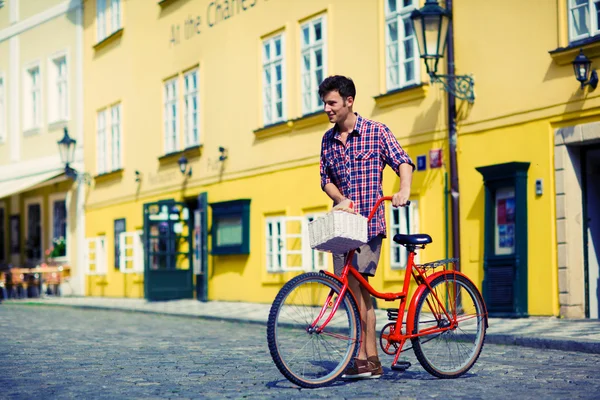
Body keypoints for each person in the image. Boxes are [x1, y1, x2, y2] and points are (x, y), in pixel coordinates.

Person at [318, 75, 414, 379]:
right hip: (342, 228)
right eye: (324, 103)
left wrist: (404, 190)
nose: (327, 109)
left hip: (370, 225)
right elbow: (325, 179)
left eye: (331, 102)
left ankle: (362, 357)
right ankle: (371, 360)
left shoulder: (376, 132)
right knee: (349, 292)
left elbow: (403, 161)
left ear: (349, 101)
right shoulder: (327, 139)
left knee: (358, 290)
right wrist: (340, 198)